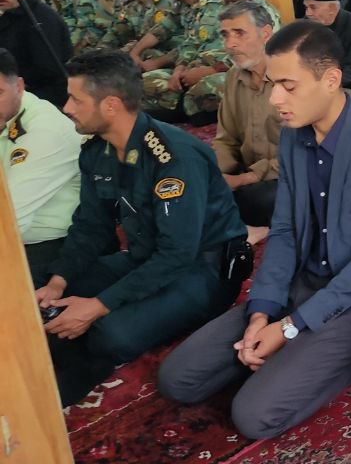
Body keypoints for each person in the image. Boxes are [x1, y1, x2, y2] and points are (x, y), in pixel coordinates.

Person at [157, 20, 351, 440]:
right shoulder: (294, 135)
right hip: (307, 279)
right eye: (272, 84)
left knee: (252, 415)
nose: (275, 98)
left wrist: (289, 328)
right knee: (178, 378)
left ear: (331, 80)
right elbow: (283, 230)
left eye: (288, 85)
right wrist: (262, 311)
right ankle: (299, 345)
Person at [35, 49, 246, 405]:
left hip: (204, 269)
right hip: (146, 256)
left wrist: (99, 305)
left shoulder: (173, 158)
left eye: (75, 99)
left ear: (111, 105)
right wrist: (60, 280)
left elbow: (177, 254)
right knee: (45, 289)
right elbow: (91, 225)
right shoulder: (97, 152)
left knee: (110, 335)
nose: (66, 108)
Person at [0, 48, 80, 272]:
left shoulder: (45, 131)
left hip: (47, 250)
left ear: (19, 87)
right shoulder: (6, 115)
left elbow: (9, 222)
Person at [210, 0, 280, 239]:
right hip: (247, 174)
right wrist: (217, 176)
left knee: (261, 200)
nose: (230, 44)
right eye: (225, 35)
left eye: (239, 33)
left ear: (266, 33)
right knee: (195, 186)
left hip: (287, 174)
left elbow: (305, 151)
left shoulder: (291, 77)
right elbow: (225, 139)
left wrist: (245, 178)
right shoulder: (234, 77)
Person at [139, 0, 229, 119]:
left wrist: (176, 69)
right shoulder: (182, 4)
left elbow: (198, 46)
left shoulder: (213, 6)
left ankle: (179, 111)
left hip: (209, 64)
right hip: (188, 62)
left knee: (197, 89)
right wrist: (136, 52)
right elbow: (164, 29)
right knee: (143, 81)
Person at [0, 0, 71, 105]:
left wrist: (12, 85)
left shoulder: (41, 18)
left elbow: (48, 69)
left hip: (42, 97)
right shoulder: (10, 15)